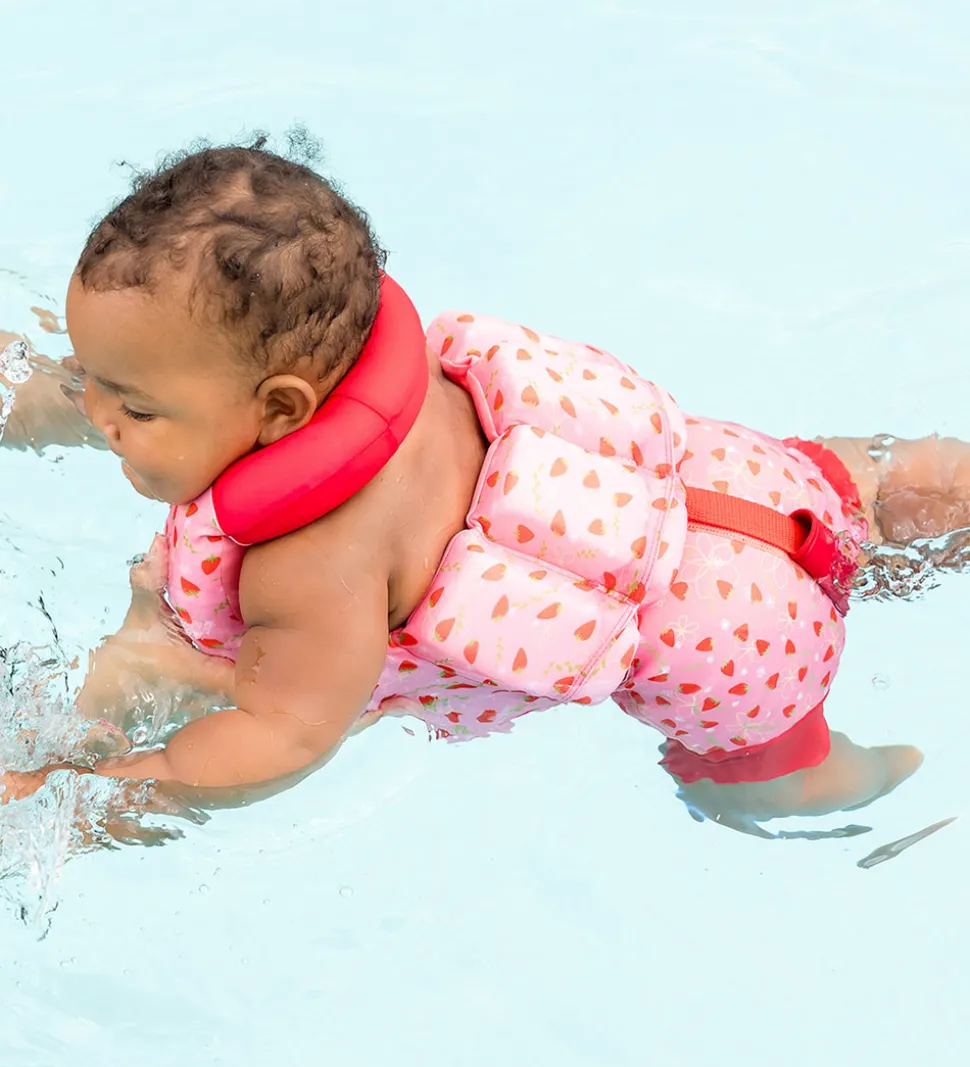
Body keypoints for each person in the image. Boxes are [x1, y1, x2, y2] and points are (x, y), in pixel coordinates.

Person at [2, 140, 969, 830]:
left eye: (129, 404)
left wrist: (109, 790)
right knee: (879, 493)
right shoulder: (395, 373)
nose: (98, 414)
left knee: (767, 784)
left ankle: (872, 782)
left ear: (285, 409)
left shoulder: (312, 562)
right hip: (757, 490)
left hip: (745, 677)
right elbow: (173, 383)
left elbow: (282, 737)